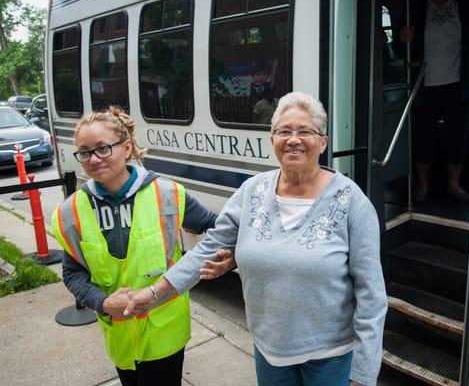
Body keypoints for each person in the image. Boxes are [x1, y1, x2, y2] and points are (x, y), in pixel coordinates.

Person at [124, 92, 388, 386]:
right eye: (284, 131)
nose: (293, 139)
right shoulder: (252, 191)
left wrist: (363, 376)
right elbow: (208, 247)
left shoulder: (352, 202)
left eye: (305, 131)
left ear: (323, 142)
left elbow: (371, 296)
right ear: (272, 139)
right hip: (269, 353)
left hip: (331, 357)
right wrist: (153, 295)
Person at [51, 107, 235, 386]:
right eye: (85, 151)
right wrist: (101, 302)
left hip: (165, 333)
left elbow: (218, 229)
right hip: (119, 336)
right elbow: (73, 273)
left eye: (103, 148)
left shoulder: (167, 194)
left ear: (126, 148)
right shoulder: (71, 211)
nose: (93, 159)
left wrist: (228, 256)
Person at [399, 0, 469, 203]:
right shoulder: (416, 3)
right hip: (423, 82)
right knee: (423, 134)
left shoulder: (468, 1)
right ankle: (423, 183)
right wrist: (403, 40)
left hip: (459, 81)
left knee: (459, 133)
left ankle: (454, 183)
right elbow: (400, 47)